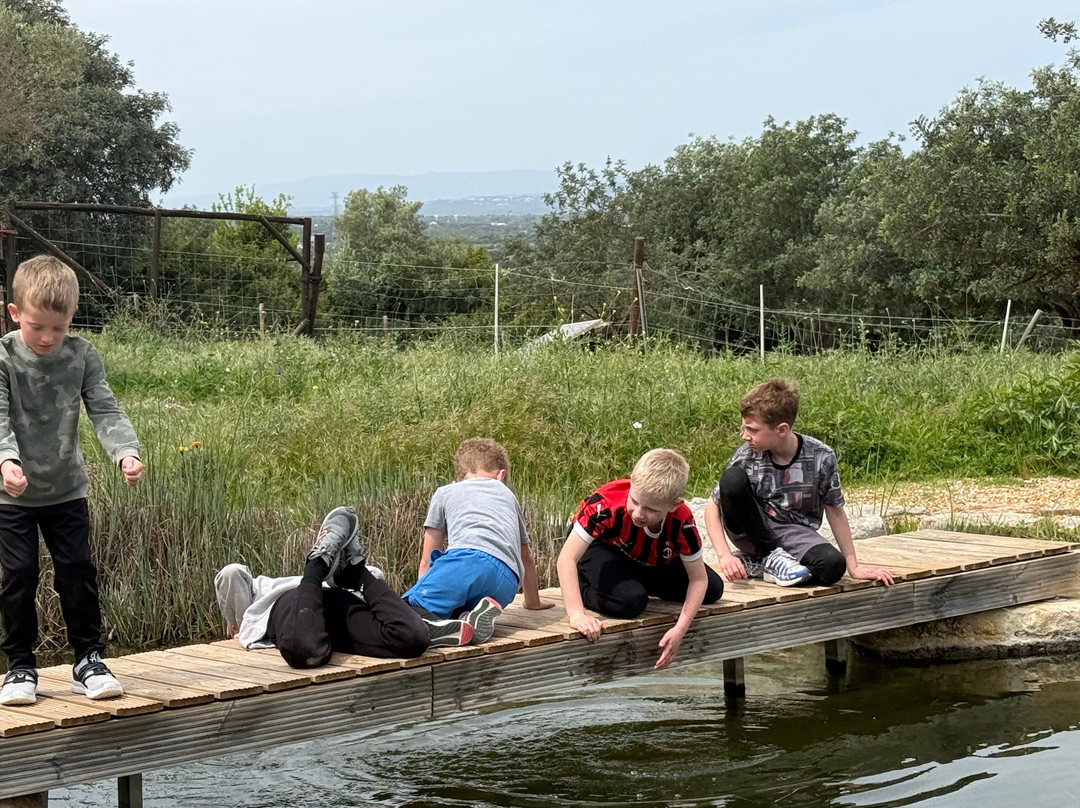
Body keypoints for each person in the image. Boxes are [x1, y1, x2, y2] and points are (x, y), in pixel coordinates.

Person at [0, 256, 144, 707]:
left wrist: (126, 452)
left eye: (58, 328)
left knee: (78, 572)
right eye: (37, 326)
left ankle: (88, 661)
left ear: (72, 317)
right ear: (14, 312)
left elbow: (105, 409)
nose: (48, 338)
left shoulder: (81, 355)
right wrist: (6, 461)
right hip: (11, 494)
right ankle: (20, 665)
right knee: (18, 576)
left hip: (66, 489)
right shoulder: (3, 358)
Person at [216, 506, 480, 668]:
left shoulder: (257, 596)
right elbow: (231, 574)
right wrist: (238, 622)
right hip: (305, 611)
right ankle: (334, 568)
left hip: (318, 601)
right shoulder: (259, 605)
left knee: (411, 639)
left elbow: (231, 574)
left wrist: (236, 620)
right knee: (307, 652)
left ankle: (340, 569)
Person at [704, 378, 894, 589]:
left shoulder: (822, 456)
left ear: (781, 429)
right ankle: (769, 556)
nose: (745, 436)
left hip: (794, 533)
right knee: (732, 478)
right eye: (745, 428)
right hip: (753, 530)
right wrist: (725, 555)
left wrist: (854, 567)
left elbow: (834, 509)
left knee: (833, 566)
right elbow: (713, 506)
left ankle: (762, 566)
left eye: (753, 430)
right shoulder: (746, 455)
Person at [556, 448, 724, 670]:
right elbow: (566, 558)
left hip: (645, 555)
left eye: (651, 509)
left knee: (713, 589)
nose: (638, 513)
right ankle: (588, 585)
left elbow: (698, 580)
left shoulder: (682, 522)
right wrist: (577, 614)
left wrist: (680, 629)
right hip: (601, 547)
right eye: (634, 501)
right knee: (631, 602)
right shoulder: (605, 504)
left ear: (674, 505)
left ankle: (632, 580)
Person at [402, 438, 553, 643]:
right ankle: (468, 618)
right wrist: (532, 602)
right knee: (453, 605)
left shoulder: (446, 492)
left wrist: (424, 592)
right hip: (506, 583)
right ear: (501, 475)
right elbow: (525, 555)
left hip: (467, 563)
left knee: (407, 612)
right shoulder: (507, 495)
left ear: (458, 477)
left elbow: (426, 560)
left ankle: (444, 628)